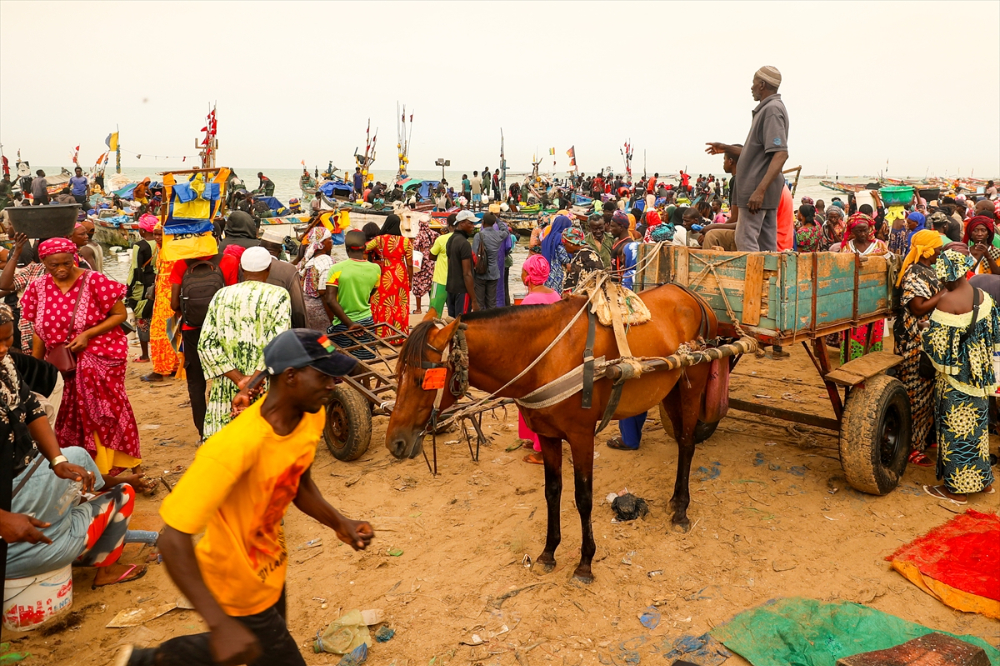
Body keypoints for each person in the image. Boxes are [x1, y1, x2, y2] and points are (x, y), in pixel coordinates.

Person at [114, 329, 373, 666]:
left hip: (271, 567)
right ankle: (150, 661)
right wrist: (219, 623)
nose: (333, 385)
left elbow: (298, 483)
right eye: (324, 375)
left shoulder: (311, 417)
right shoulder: (233, 448)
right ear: (291, 376)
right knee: (262, 646)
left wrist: (341, 523)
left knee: (253, 645)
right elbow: (172, 541)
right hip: (237, 580)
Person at [18, 237, 142, 476]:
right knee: (66, 413)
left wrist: (87, 334)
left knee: (107, 410)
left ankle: (121, 463)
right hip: (60, 363)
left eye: (66, 263)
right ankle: (82, 463)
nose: (62, 269)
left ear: (74, 258)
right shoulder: (37, 287)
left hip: (98, 356)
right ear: (43, 262)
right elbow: (38, 330)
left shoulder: (95, 280)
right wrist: (37, 365)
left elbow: (119, 315)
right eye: (54, 265)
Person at [921, 249, 997, 504]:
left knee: (956, 432)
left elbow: (938, 348)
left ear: (948, 276)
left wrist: (925, 332)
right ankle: (983, 481)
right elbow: (995, 333)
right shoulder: (983, 297)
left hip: (957, 380)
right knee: (977, 428)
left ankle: (956, 489)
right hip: (980, 375)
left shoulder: (947, 302)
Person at [198, 248, 292, 438]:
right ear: (269, 268)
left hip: (226, 384)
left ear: (241, 267)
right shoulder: (279, 295)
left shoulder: (221, 295)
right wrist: (252, 382)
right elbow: (278, 345)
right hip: (265, 384)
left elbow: (206, 345)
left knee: (226, 446)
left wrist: (239, 379)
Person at [705, 66, 789, 251]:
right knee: (766, 244)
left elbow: (781, 153)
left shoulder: (772, 110)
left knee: (745, 241)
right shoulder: (769, 109)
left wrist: (759, 190)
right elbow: (758, 154)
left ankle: (753, 280)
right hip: (760, 189)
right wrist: (726, 148)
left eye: (753, 83)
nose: (751, 88)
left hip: (755, 190)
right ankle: (768, 280)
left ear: (762, 85)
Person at [170, 247, 241, 440]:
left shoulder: (181, 264)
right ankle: (230, 423)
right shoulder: (229, 261)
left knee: (196, 383)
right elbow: (233, 297)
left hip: (192, 330)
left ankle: (203, 432)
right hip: (223, 329)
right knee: (228, 376)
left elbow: (174, 304)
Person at [894, 230, 944, 467]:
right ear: (928, 250)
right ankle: (911, 447)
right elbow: (917, 308)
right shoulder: (915, 274)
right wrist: (945, 293)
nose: (940, 252)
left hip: (925, 340)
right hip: (913, 343)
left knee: (927, 394)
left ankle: (922, 439)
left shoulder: (926, 271)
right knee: (916, 396)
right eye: (938, 248)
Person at [517, 255, 562, 465]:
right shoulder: (555, 294)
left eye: (524, 270)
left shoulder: (530, 301)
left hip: (537, 359)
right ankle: (532, 438)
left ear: (529, 275)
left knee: (535, 403)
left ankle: (542, 449)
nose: (522, 273)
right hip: (555, 356)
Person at [838, 214, 889, 363]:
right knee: (853, 333)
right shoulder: (847, 247)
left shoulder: (880, 245)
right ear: (852, 231)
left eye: (864, 230)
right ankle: (851, 365)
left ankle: (872, 365)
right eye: (858, 231)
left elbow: (888, 267)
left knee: (873, 333)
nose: (862, 234)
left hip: (875, 299)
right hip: (853, 300)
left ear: (870, 229)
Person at [324, 231, 381, 361]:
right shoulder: (376, 268)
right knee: (365, 362)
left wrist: (350, 324)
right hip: (367, 321)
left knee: (328, 349)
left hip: (343, 323)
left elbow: (330, 300)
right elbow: (371, 293)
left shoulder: (336, 269)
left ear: (346, 248)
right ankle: (365, 381)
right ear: (365, 248)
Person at [365, 214, 412, 337]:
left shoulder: (379, 239)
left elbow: (363, 248)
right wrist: (410, 280)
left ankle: (381, 335)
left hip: (384, 272)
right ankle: (398, 336)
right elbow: (410, 264)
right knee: (399, 304)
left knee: (382, 303)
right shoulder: (406, 241)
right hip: (400, 275)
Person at [126, 215, 159, 363]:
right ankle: (159, 352)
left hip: (143, 287)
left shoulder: (140, 245)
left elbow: (135, 270)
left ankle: (145, 355)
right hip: (158, 283)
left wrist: (128, 290)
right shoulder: (161, 243)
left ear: (143, 230)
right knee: (155, 318)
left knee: (142, 319)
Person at [297, 227, 334, 331]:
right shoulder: (327, 261)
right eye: (329, 239)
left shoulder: (310, 261)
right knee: (326, 341)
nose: (332, 242)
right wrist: (332, 319)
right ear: (322, 243)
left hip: (305, 309)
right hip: (320, 310)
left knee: (313, 339)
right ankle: (329, 348)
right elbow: (323, 292)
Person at [471, 212, 511, 310]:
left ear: (483, 222)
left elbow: (474, 255)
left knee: (480, 301)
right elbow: (505, 230)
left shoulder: (478, 236)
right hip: (494, 272)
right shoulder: (499, 235)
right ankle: (492, 322)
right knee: (492, 302)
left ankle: (480, 322)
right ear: (494, 223)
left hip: (480, 272)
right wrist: (497, 219)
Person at [445, 210, 478, 316]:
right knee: (461, 323)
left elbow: (451, 265)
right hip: (462, 290)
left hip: (451, 288)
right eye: (470, 223)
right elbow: (467, 273)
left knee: (452, 324)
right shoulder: (464, 244)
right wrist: (474, 300)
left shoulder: (451, 239)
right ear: (461, 223)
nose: (473, 226)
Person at [411, 216, 439, 315]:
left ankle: (418, 309)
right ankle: (432, 308)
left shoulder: (420, 235)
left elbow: (415, 247)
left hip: (422, 262)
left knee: (418, 284)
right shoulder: (434, 233)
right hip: (431, 261)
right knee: (430, 284)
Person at [561, 227, 603, 293]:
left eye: (565, 245)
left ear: (571, 243)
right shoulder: (580, 253)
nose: (564, 248)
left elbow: (592, 276)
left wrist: (572, 268)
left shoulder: (587, 254)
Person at [428, 214, 455, 315]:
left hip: (440, 280)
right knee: (453, 312)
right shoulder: (462, 239)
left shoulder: (441, 239)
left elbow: (431, 255)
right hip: (455, 282)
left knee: (434, 312)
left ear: (448, 224)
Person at [539, 214, 573, 291]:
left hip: (546, 273)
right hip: (558, 274)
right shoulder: (560, 238)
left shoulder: (546, 238)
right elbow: (564, 259)